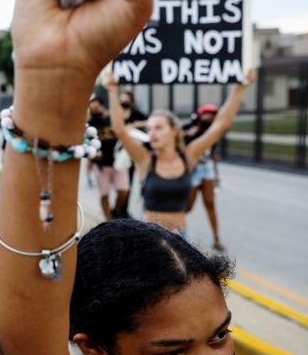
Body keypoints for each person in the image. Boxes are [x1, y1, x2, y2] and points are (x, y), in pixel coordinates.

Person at [0, 0, 284, 355]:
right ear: (95, 347)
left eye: (220, 335)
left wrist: (238, 91)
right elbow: (22, 350)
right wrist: (57, 83)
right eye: (169, 352)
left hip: (176, 239)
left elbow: (217, 126)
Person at [105, 68, 254, 238]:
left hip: (181, 237)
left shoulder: (188, 157)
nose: (152, 133)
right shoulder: (144, 160)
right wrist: (112, 90)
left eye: (159, 128)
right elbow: (120, 130)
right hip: (149, 239)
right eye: (149, 129)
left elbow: (220, 125)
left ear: (174, 131)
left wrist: (240, 88)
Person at [185, 105, 225, 251]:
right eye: (207, 114)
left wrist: (217, 175)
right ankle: (175, 228)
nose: (210, 117)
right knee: (188, 206)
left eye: (213, 115)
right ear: (200, 115)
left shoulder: (213, 132)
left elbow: (212, 154)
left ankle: (216, 239)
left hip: (206, 169)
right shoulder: (190, 129)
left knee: (210, 203)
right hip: (193, 170)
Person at [88, 96, 129, 220]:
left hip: (118, 162)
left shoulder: (112, 119)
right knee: (104, 194)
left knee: (123, 191)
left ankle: (115, 212)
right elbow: (86, 143)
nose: (95, 109)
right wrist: (92, 156)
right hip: (101, 165)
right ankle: (108, 220)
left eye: (97, 106)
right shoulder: (89, 124)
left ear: (101, 105)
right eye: (92, 107)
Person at [114, 90, 148, 218]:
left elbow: (148, 120)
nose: (124, 101)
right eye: (122, 99)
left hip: (130, 152)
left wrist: (135, 124)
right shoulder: (116, 113)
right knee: (120, 185)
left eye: (126, 99)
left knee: (128, 183)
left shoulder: (135, 113)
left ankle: (123, 209)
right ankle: (117, 210)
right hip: (117, 151)